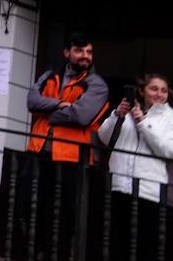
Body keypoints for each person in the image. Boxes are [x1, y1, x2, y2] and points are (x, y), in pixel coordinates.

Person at [20, 31, 109, 258]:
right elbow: (31, 101)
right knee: (28, 205)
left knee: (70, 215)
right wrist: (62, 105)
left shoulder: (97, 84)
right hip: (39, 151)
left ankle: (62, 254)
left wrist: (49, 112)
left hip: (73, 157)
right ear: (67, 52)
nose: (85, 56)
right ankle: (37, 249)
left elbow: (82, 116)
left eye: (89, 52)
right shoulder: (50, 75)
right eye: (79, 51)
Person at [97, 72, 173, 258]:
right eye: (153, 89)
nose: (159, 94)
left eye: (164, 91)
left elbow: (171, 151)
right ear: (141, 91)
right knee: (121, 244)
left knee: (146, 248)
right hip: (121, 187)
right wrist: (117, 115)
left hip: (151, 192)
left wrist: (143, 123)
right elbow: (104, 137)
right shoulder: (128, 113)